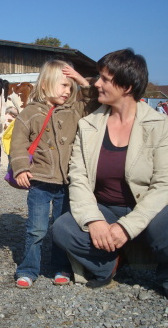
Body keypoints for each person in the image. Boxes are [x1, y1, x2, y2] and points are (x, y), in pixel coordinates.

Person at [52, 49, 168, 300]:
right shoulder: (89, 125)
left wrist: (127, 227)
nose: (97, 83)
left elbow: (164, 184)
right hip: (105, 206)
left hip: (151, 206)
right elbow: (79, 177)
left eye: (105, 79)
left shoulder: (159, 125)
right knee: (63, 228)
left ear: (127, 86)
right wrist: (93, 220)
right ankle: (108, 265)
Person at [10, 59, 100, 289]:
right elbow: (18, 143)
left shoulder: (75, 110)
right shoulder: (29, 112)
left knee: (62, 228)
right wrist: (21, 169)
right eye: (63, 85)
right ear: (45, 85)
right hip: (39, 181)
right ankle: (29, 269)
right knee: (36, 229)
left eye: (70, 87)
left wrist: (82, 81)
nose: (67, 91)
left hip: (67, 182)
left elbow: (94, 102)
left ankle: (61, 267)